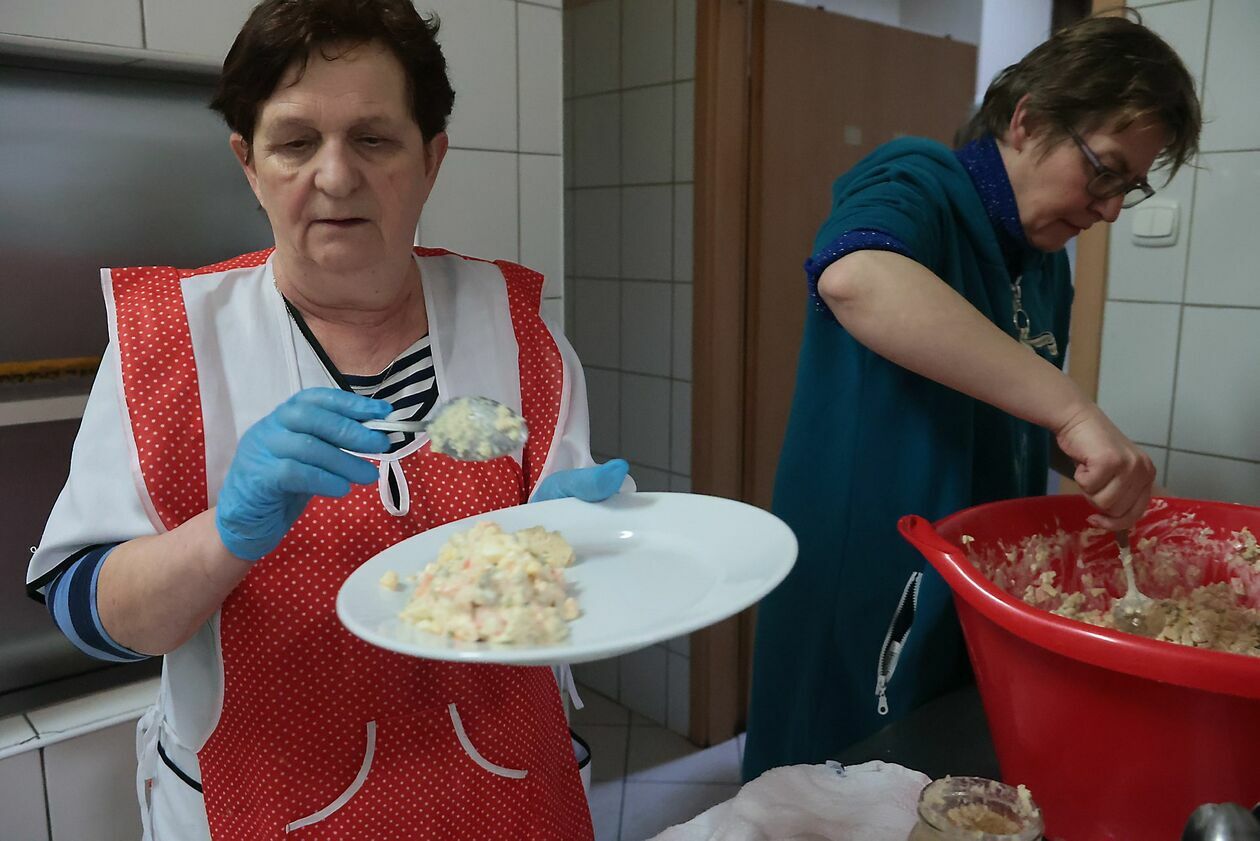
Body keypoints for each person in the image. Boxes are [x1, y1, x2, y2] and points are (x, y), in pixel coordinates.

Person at [26, 1, 627, 837]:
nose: (336, 177)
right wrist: (224, 535)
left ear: (431, 159)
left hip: (503, 792)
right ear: (249, 163)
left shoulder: (519, 332)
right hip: (264, 805)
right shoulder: (168, 345)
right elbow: (86, 612)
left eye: (374, 139)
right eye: (296, 142)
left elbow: (573, 589)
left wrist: (585, 548)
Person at [743, 12, 1201, 781]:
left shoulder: (1043, 263)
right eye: (1104, 170)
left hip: (966, 581)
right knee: (829, 792)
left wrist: (1085, 453)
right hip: (868, 576)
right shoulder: (918, 181)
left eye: (1130, 186)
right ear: (1028, 120)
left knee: (932, 786)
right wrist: (1073, 410)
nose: (1111, 209)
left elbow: (1005, 398)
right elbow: (857, 278)